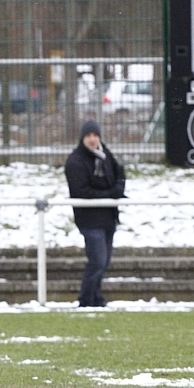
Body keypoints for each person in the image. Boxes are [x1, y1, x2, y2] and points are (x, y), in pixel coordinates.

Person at [64, 120, 126, 307]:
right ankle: (86, 299)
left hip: (108, 217)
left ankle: (96, 298)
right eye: (88, 136)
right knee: (98, 260)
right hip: (90, 220)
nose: (92, 139)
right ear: (82, 138)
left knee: (104, 261)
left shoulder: (106, 155)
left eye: (95, 135)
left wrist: (117, 189)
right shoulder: (76, 161)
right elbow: (81, 191)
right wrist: (108, 194)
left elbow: (119, 174)